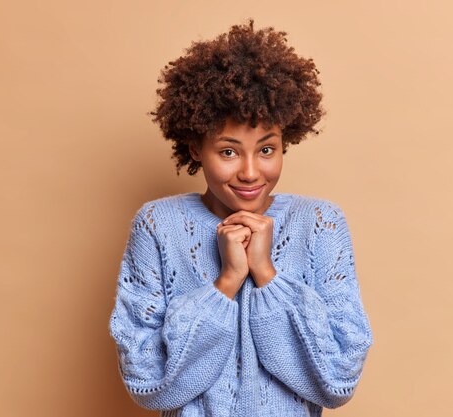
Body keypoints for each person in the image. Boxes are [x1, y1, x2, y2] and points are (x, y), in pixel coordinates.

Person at [108, 18, 373, 417]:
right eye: (229, 152)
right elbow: (149, 383)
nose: (250, 172)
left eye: (266, 150)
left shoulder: (320, 224)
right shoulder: (157, 226)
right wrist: (226, 283)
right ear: (196, 147)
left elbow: (336, 381)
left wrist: (267, 275)